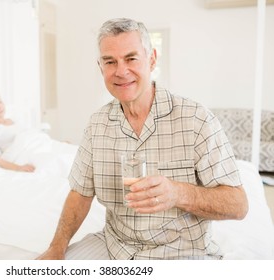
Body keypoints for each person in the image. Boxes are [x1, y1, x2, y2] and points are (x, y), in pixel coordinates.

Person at [37, 18, 248, 260]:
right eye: (110, 61)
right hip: (116, 247)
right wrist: (57, 247)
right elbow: (80, 193)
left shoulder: (196, 118)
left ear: (152, 59)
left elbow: (238, 205)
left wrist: (178, 193)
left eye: (131, 58)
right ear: (100, 67)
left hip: (180, 253)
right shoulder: (97, 125)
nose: (121, 71)